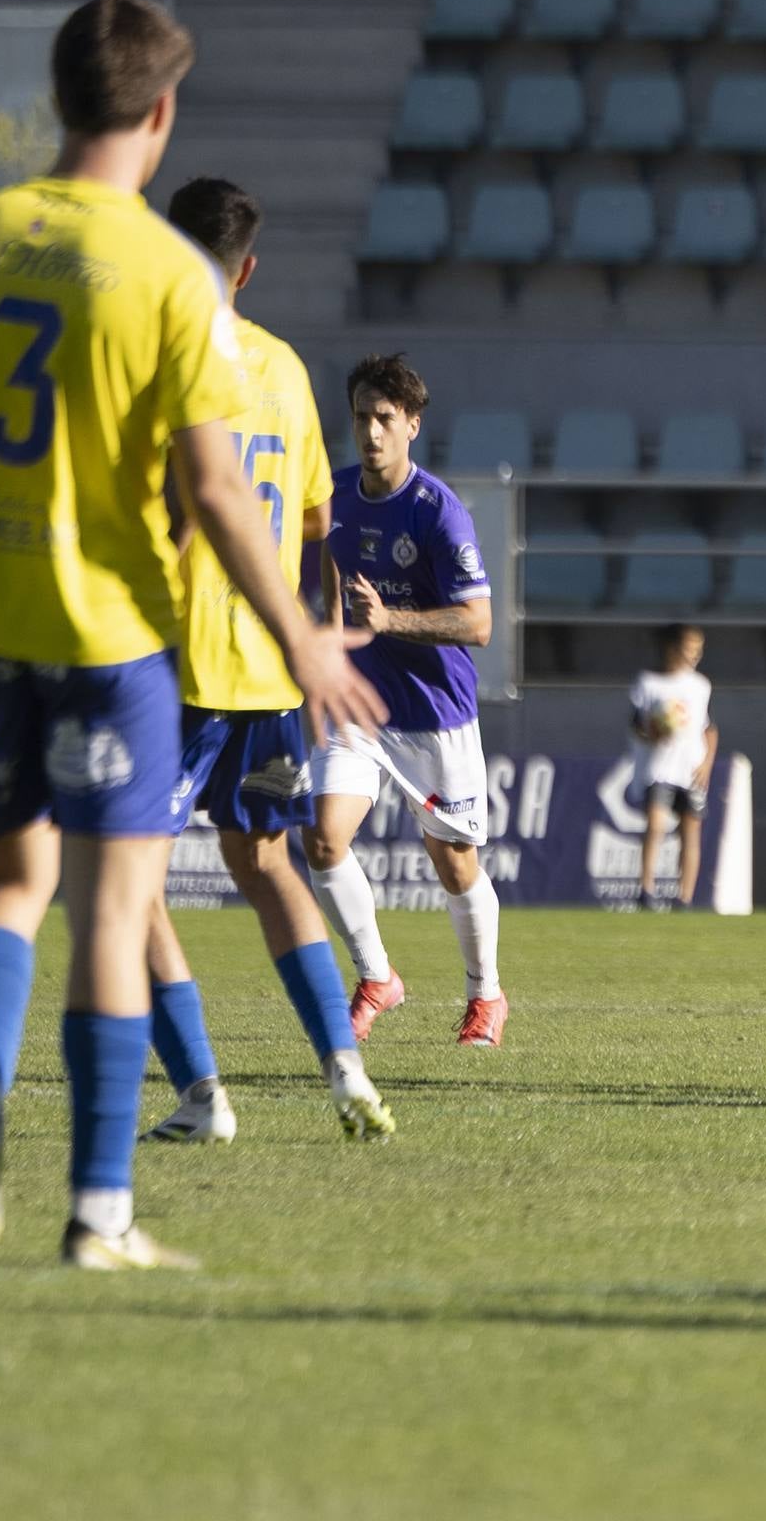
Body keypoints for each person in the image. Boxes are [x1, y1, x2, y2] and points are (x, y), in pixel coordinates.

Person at [0, 0, 382, 1269]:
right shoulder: (167, 278)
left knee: (6, 889)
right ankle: (99, 1211)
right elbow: (212, 487)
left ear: (56, 98)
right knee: (112, 910)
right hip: (114, 642)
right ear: (158, 115)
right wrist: (302, 635)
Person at [138, 178, 394, 1145]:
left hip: (175, 665)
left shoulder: (158, 352)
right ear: (247, 270)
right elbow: (320, 520)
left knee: (128, 887)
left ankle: (201, 1092)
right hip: (270, 672)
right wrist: (313, 623)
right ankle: (344, 1064)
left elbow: (171, 505)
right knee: (267, 864)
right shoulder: (285, 369)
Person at [302, 352, 507, 1047]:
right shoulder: (335, 495)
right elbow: (331, 567)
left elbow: (478, 624)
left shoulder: (438, 513)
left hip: (434, 714)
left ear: (412, 424)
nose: (371, 432)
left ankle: (486, 994)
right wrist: (330, 650)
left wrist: (389, 620)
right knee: (322, 839)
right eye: (362, 417)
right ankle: (377, 977)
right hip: (360, 705)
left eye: (385, 418)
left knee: (454, 865)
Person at [627, 623, 718, 911]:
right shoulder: (648, 682)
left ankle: (684, 897)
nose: (694, 655)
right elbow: (636, 725)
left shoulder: (700, 686)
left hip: (690, 769)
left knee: (690, 832)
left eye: (698, 649)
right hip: (659, 768)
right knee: (655, 825)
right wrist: (652, 732)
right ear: (671, 648)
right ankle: (646, 890)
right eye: (689, 648)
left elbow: (709, 729)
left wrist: (706, 764)